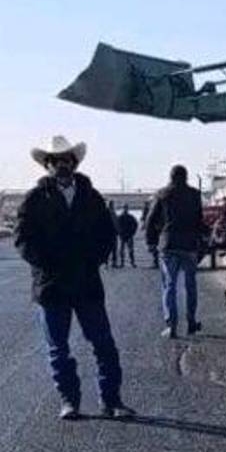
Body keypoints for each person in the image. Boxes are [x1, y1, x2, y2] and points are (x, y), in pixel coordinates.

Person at [15, 135, 136, 421]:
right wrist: (45, 264)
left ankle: (112, 401)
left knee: (103, 344)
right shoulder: (33, 200)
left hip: (86, 284)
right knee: (59, 349)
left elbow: (108, 235)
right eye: (55, 161)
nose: (61, 165)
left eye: (66, 159)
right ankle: (69, 401)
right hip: (52, 286)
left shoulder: (91, 198)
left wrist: (93, 260)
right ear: (47, 165)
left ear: (75, 162)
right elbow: (22, 239)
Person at [145, 165, 206, 338]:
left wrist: (151, 242)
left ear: (170, 177)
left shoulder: (162, 194)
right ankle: (191, 323)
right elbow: (199, 221)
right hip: (189, 245)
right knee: (190, 285)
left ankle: (171, 326)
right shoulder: (194, 195)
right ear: (186, 177)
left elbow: (150, 220)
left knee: (169, 285)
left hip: (169, 245)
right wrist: (205, 236)